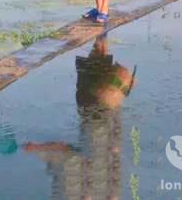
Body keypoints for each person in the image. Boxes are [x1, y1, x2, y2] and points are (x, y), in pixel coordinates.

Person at [23, 34, 136, 199]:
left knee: (100, 60)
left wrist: (37, 147)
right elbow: (65, 150)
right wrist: (35, 148)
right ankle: (101, 30)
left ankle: (102, 32)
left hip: (108, 107)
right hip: (94, 104)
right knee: (97, 64)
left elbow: (67, 151)